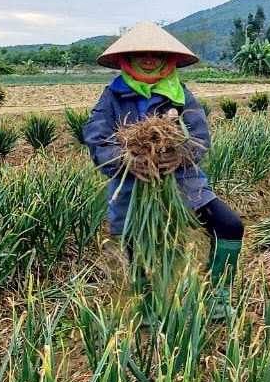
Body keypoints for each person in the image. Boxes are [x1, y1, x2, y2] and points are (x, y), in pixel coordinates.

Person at [82, 21, 244, 320]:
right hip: (134, 183)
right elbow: (95, 136)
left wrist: (181, 155)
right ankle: (146, 308)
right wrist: (126, 159)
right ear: (127, 59)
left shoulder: (180, 94)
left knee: (230, 226)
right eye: (141, 54)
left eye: (155, 54)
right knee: (139, 243)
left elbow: (200, 137)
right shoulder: (113, 95)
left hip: (183, 182)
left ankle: (218, 296)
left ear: (167, 59)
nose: (148, 59)